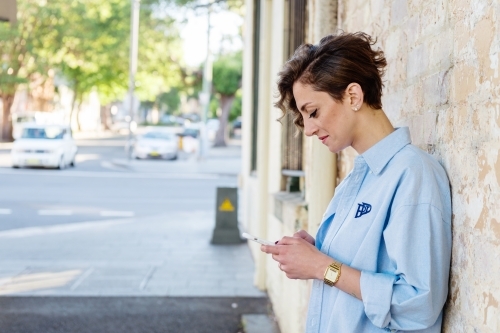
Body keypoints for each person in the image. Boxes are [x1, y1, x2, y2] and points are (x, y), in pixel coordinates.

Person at [260, 32, 452, 333]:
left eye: (313, 112)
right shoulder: (358, 178)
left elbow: (418, 305)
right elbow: (363, 268)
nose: (308, 129)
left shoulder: (413, 174)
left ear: (353, 95)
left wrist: (320, 266)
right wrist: (319, 251)